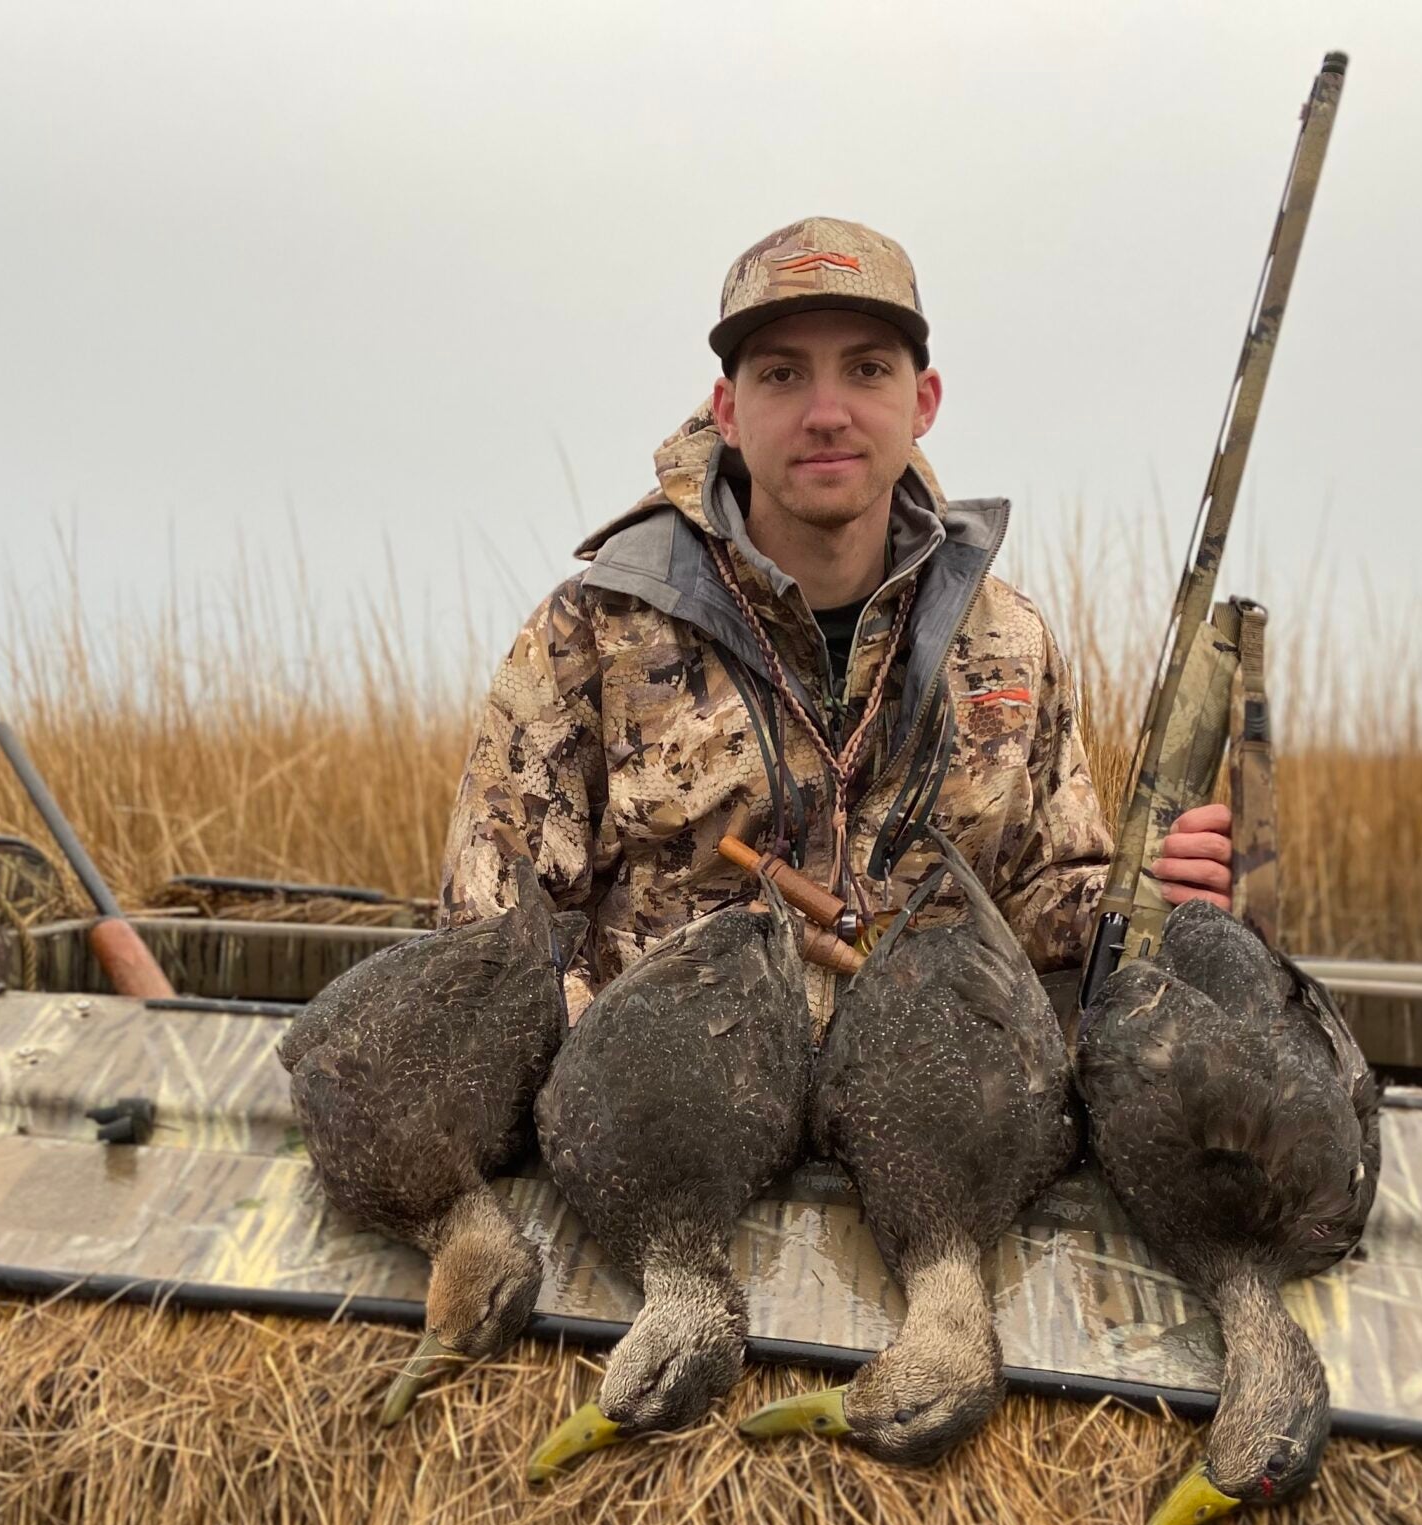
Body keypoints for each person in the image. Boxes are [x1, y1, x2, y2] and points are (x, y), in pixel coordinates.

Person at [439, 216, 1232, 1019]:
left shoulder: (1008, 644)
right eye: (783, 375)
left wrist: (1149, 887)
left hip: (934, 1117)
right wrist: (626, 1064)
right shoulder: (593, 634)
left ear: (922, 401)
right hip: (667, 1126)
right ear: (728, 411)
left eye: (866, 370)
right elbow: (493, 937)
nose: (827, 412)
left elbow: (1039, 896)